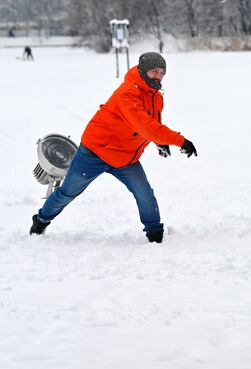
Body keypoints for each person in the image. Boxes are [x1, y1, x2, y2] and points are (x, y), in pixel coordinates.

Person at [29, 52, 198, 243]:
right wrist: (181, 141)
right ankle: (40, 222)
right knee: (67, 193)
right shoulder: (128, 93)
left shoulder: (156, 97)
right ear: (143, 71)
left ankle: (155, 235)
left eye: (162, 72)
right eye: (154, 71)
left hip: (125, 158)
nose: (158, 76)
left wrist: (160, 141)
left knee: (145, 194)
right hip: (94, 153)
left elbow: (151, 124)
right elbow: (145, 126)